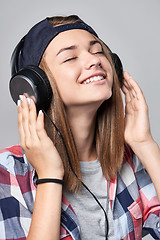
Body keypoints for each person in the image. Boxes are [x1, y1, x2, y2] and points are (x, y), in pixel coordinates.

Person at [0, 15, 160, 240]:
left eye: (97, 51)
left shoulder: (132, 160)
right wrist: (49, 177)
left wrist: (145, 144)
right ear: (36, 87)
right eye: (70, 57)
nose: (94, 60)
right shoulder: (6, 174)